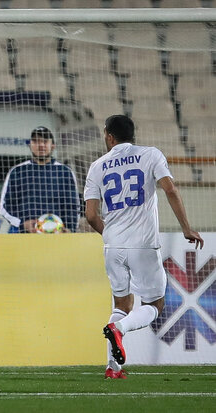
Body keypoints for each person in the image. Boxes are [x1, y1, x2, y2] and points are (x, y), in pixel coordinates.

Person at [84, 115, 204, 379]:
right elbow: (170, 189)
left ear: (109, 136)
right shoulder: (150, 155)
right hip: (143, 245)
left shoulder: (97, 166)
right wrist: (185, 227)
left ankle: (112, 369)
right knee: (155, 305)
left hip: (113, 246)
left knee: (120, 303)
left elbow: (91, 215)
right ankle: (120, 330)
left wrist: (112, 235)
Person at [0, 126, 80, 233]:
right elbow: (4, 206)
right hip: (26, 236)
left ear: (53, 146)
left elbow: (73, 205)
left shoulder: (65, 172)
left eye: (45, 141)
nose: (41, 145)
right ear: (30, 145)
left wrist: (70, 229)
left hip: (58, 236)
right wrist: (21, 223)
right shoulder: (17, 171)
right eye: (36, 141)